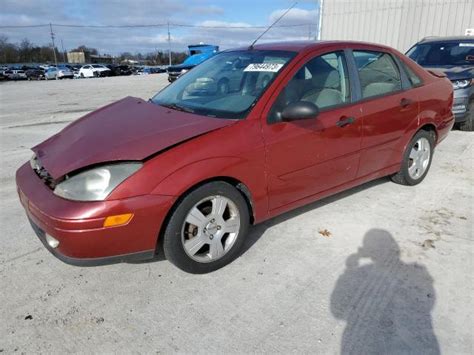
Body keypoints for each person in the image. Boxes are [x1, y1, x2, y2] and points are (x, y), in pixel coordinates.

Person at [330, 229, 440, 354]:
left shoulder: (365, 269)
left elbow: (337, 312)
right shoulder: (417, 272)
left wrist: (350, 268)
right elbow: (428, 303)